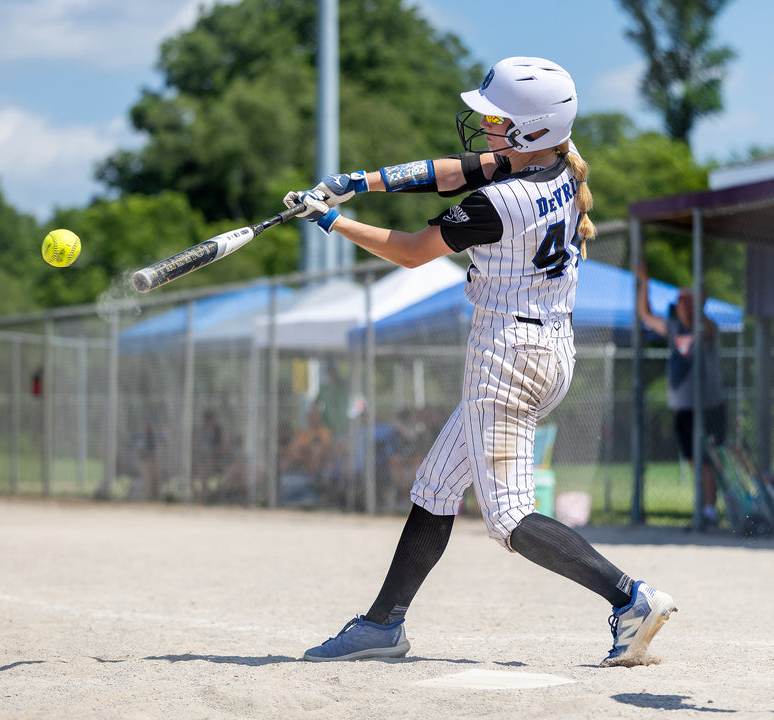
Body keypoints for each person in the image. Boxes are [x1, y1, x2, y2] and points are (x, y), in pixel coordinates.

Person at [283, 56, 676, 666]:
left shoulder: (502, 201)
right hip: (547, 351)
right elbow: (453, 171)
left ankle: (630, 598)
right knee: (436, 487)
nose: (487, 126)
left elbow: (414, 252)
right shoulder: (557, 171)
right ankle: (384, 623)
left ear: (531, 130)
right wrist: (359, 180)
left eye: (499, 120)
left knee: (509, 517)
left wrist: (332, 220)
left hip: (507, 358)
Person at [636, 263, 726, 531]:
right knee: (693, 459)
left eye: (689, 301)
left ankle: (709, 512)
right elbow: (645, 314)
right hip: (683, 407)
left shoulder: (706, 327)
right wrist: (645, 283)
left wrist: (698, 303)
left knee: (706, 459)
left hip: (707, 405)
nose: (684, 306)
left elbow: (706, 326)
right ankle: (704, 509)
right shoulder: (674, 328)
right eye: (682, 301)